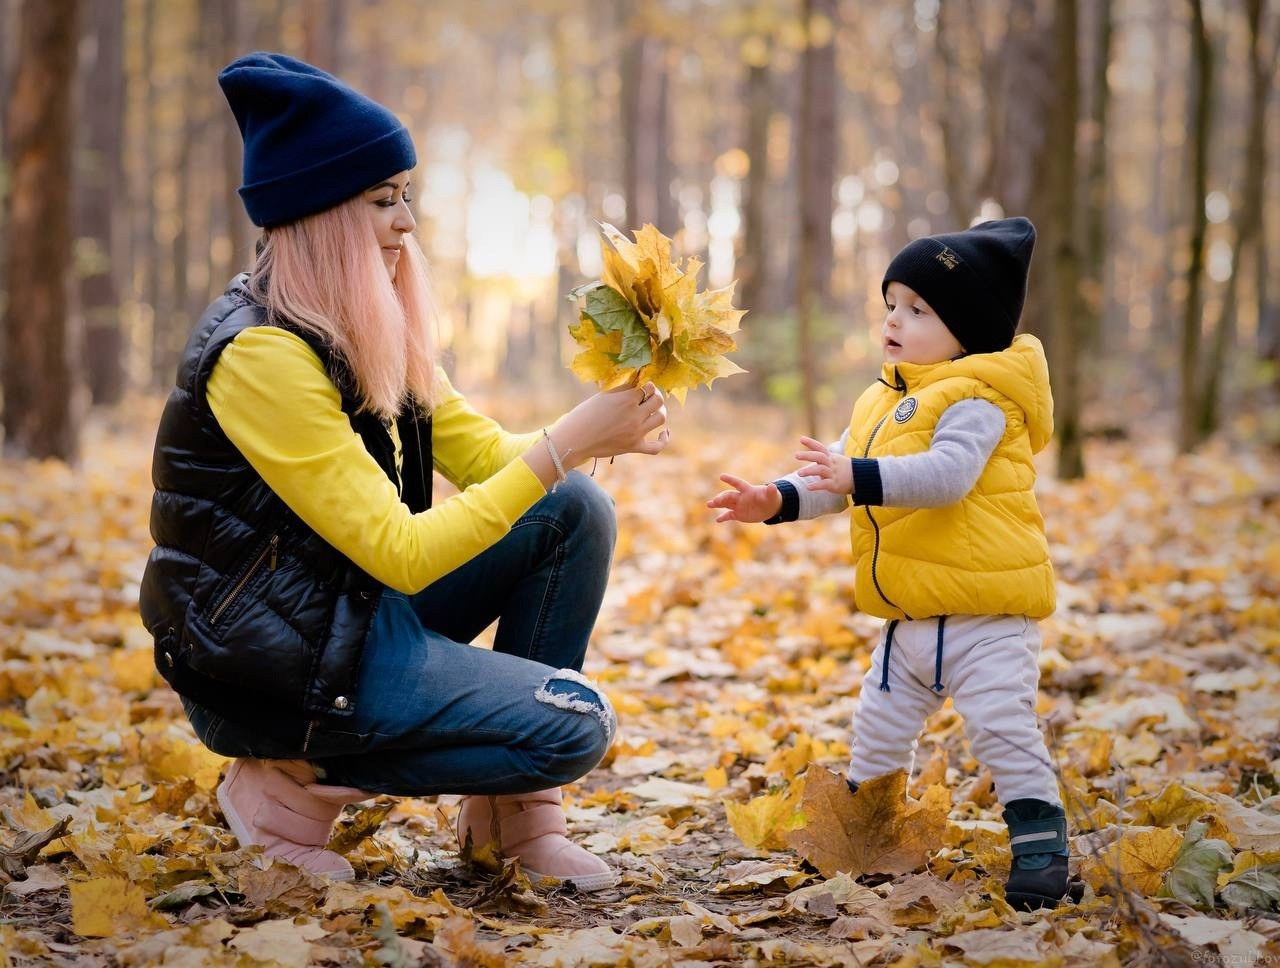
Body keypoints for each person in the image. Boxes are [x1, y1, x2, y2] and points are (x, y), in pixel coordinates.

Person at [140, 52, 671, 892]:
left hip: (342, 614)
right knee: (576, 726)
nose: (406, 224)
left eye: (407, 197)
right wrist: (562, 444)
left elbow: (495, 458)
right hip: (263, 663)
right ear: (319, 212)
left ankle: (513, 824)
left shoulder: (366, 327)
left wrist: (600, 427)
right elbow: (402, 552)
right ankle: (281, 784)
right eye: (382, 201)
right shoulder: (261, 355)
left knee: (576, 511)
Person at [707, 218, 1079, 910]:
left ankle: (1041, 845)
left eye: (919, 309)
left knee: (1003, 727)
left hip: (986, 616)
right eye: (892, 304)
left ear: (969, 330)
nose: (895, 320)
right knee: (874, 733)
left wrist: (858, 473)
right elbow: (837, 478)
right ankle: (869, 831)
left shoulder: (979, 397)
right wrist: (778, 498)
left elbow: (946, 477)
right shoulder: (882, 399)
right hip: (906, 619)